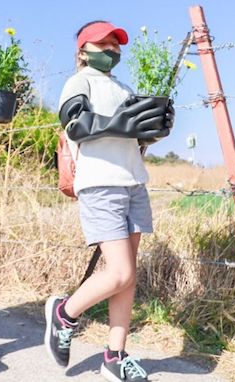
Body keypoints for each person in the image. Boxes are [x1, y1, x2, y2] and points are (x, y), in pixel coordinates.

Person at [44, 21, 173, 381]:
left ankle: (114, 355)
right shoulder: (79, 82)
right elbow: (75, 124)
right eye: (105, 43)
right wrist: (122, 123)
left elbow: (131, 136)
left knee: (127, 277)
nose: (113, 49)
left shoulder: (123, 87)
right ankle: (64, 313)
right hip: (100, 184)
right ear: (83, 51)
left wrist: (154, 129)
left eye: (116, 44)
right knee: (120, 272)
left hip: (133, 182)